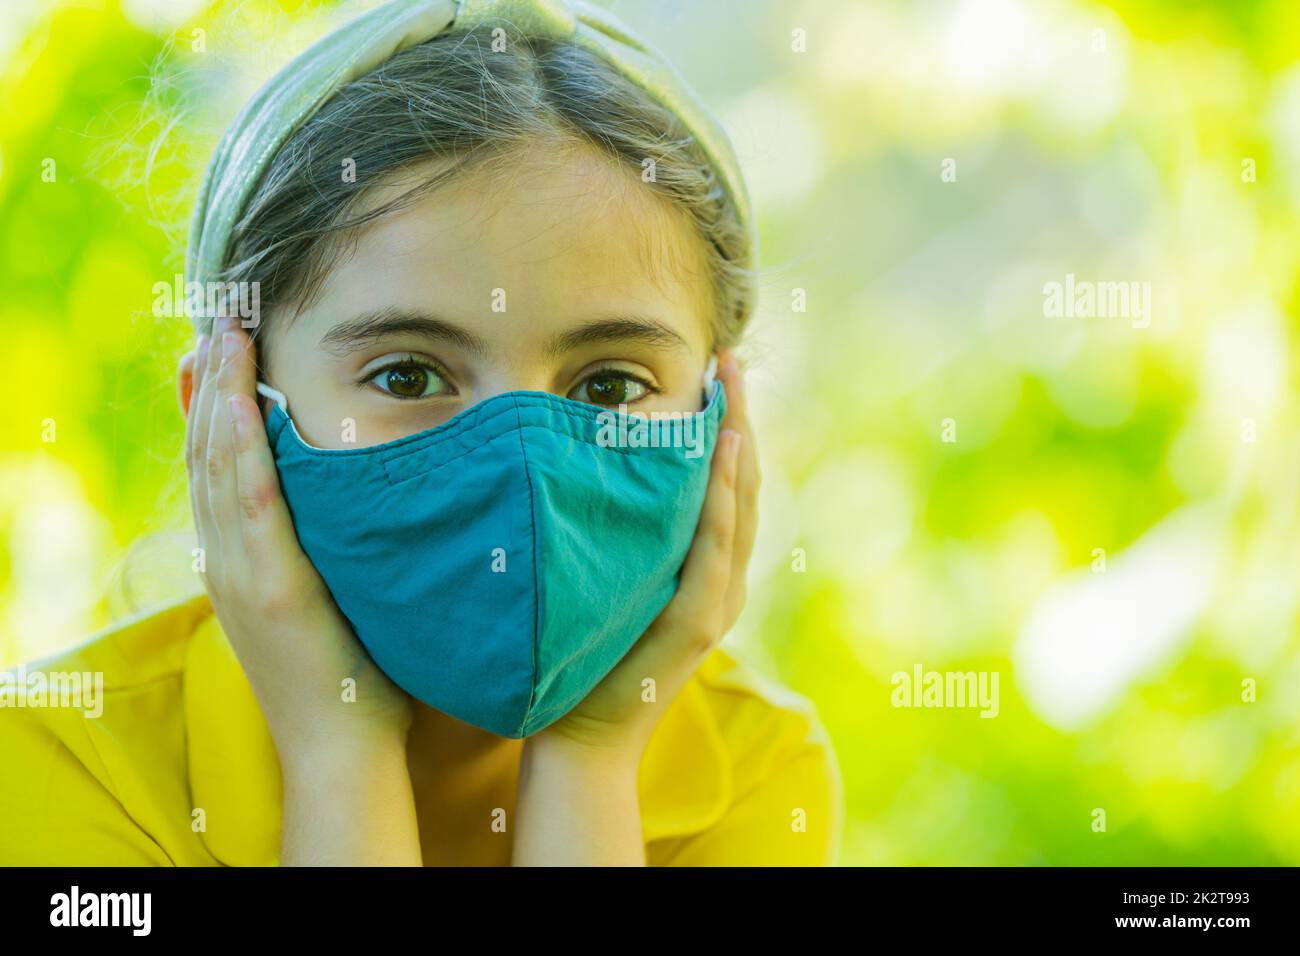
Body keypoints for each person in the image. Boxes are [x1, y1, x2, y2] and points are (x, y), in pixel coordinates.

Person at [0, 0, 842, 866]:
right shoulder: (57, 761)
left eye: (610, 386)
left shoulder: (757, 772)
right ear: (227, 412)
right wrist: (336, 752)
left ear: (722, 414)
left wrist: (590, 759)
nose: (522, 472)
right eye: (407, 376)